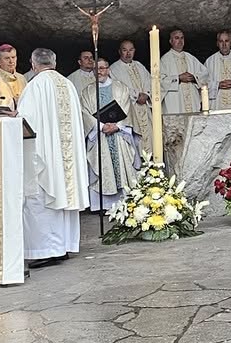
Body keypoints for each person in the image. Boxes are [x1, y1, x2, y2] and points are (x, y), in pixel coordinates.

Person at [20, 49, 88, 267]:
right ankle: (63, 247)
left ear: (33, 65)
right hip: (65, 157)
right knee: (63, 196)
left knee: (41, 200)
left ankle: (46, 250)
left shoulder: (35, 86)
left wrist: (14, 118)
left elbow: (26, 122)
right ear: (54, 63)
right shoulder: (67, 85)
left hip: (47, 156)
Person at [74, 58, 141, 211]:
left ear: (108, 69)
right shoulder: (87, 91)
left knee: (123, 167)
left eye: (103, 68)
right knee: (101, 165)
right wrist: (101, 126)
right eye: (96, 69)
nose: (100, 72)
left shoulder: (121, 88)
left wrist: (117, 126)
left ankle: (125, 203)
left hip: (119, 134)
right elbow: (84, 113)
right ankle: (102, 205)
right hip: (100, 135)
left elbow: (127, 110)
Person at [110, 40, 156, 136]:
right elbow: (117, 87)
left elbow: (149, 80)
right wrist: (136, 96)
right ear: (119, 51)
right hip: (130, 108)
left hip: (145, 107)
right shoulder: (113, 69)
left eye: (131, 50)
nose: (128, 53)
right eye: (125, 50)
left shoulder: (139, 65)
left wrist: (147, 94)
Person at [162, 29, 207, 115]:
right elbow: (160, 81)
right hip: (175, 103)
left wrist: (194, 78)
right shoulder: (165, 60)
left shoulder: (191, 58)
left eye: (182, 38)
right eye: (177, 38)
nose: (180, 41)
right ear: (171, 41)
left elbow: (205, 74)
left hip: (192, 101)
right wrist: (178, 78)